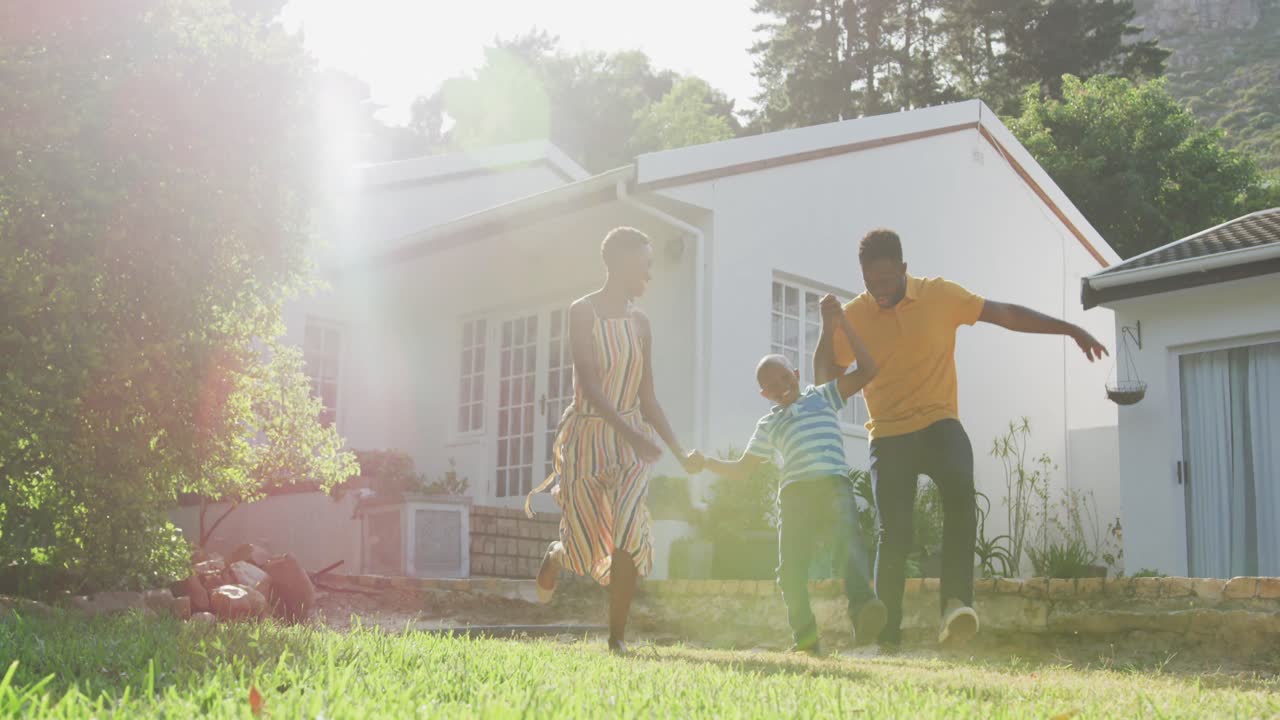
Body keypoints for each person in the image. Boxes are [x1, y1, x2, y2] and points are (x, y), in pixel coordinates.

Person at [817, 228, 1108, 649]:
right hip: (889, 433)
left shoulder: (940, 295)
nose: (879, 292)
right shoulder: (855, 314)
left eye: (886, 281)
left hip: (940, 424)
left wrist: (1069, 329)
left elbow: (1005, 314)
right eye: (870, 284)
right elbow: (824, 379)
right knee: (893, 533)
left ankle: (954, 605)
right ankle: (886, 636)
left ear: (903, 269)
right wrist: (829, 327)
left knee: (960, 496)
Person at [527, 226, 701, 656]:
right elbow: (589, 382)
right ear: (622, 264)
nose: (650, 273)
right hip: (588, 437)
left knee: (627, 532)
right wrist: (631, 434)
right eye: (645, 264)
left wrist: (678, 451)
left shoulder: (641, 323)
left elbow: (647, 396)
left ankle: (616, 638)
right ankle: (558, 554)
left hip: (629, 446)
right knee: (587, 549)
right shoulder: (582, 312)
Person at [689, 303, 886, 655]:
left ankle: (864, 609)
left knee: (847, 541)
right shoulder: (769, 424)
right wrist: (706, 462)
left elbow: (868, 368)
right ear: (764, 394)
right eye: (771, 386)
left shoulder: (822, 395)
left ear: (796, 373)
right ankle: (806, 638)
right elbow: (743, 469)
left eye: (786, 378)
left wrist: (843, 324)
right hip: (795, 493)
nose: (782, 387)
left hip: (832, 484)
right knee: (790, 568)